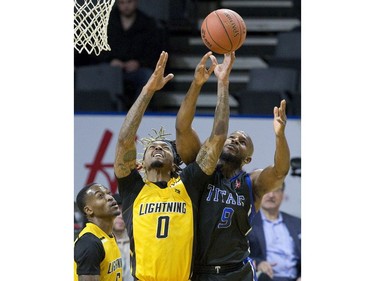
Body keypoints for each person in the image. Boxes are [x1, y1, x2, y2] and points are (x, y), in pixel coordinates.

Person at [114, 50, 234, 280]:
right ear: (141, 162)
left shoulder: (189, 183)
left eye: (165, 148)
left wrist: (223, 84)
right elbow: (125, 140)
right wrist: (147, 91)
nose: (158, 148)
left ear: (174, 162)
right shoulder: (132, 189)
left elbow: (218, 138)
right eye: (152, 147)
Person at [175, 77, 290, 279]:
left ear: (248, 158)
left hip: (238, 271)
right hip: (199, 271)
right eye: (232, 137)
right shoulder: (200, 170)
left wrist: (280, 136)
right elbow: (182, 128)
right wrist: (197, 84)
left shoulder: (252, 183)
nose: (235, 141)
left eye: (242, 142)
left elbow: (280, 171)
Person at [99, 0, 166, 109]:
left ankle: (138, 112)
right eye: (122, 3)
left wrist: (138, 63)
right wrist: (111, 61)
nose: (126, 6)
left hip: (137, 70)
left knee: (148, 77)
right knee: (98, 74)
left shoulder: (147, 23)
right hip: (111, 69)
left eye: (129, 2)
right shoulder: (106, 21)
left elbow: (153, 51)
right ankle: (106, 111)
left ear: (136, 2)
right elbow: (97, 49)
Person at [247, 182, 301, 281]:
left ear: (283, 195)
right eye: (266, 190)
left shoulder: (297, 223)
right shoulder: (248, 223)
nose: (271, 195)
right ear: (258, 194)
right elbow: (238, 255)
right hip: (265, 278)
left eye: (276, 190)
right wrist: (258, 264)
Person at [74, 183, 123, 281]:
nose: (109, 197)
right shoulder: (90, 243)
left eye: (108, 193)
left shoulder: (108, 235)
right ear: (88, 210)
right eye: (100, 196)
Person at [112, 194, 132, 281]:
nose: (120, 216)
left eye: (123, 212)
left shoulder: (137, 240)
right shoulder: (101, 242)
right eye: (116, 213)